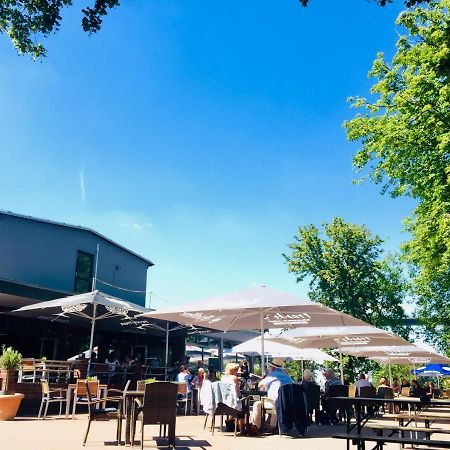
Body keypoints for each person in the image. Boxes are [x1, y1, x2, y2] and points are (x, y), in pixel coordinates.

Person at [250, 357, 294, 433]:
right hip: (287, 404)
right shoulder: (288, 377)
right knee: (276, 401)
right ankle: (272, 426)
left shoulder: (272, 375)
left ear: (273, 367)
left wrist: (265, 376)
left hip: (275, 403)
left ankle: (256, 427)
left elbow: (260, 385)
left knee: (257, 404)